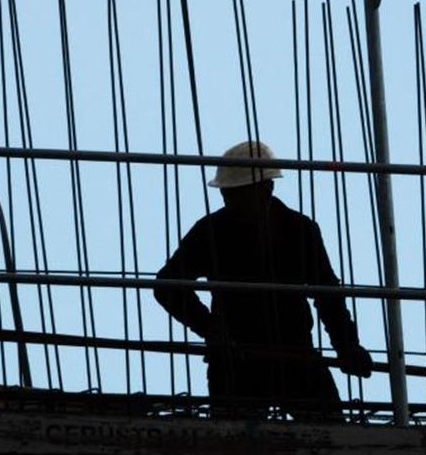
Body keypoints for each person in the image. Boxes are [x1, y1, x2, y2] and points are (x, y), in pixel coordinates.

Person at [154, 140, 372, 420]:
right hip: (238, 358)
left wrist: (347, 346)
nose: (228, 201)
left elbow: (327, 295)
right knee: (242, 449)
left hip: (289, 354)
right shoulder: (214, 230)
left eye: (236, 194)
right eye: (227, 194)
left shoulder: (298, 230)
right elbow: (168, 286)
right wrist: (210, 329)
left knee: (334, 439)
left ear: (265, 189)